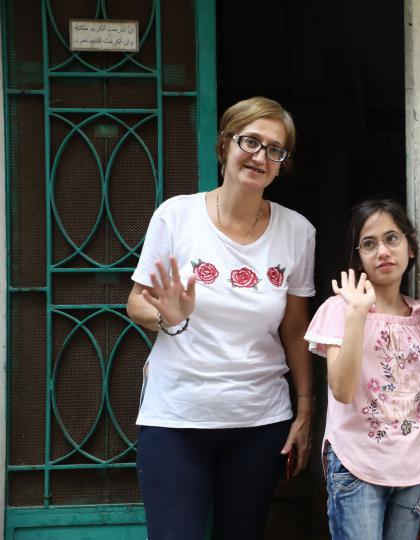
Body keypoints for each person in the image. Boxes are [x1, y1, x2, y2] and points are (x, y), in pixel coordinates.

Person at [126, 96, 315, 540]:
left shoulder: (298, 231)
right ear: (226, 144)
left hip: (260, 421)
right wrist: (167, 316)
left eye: (275, 149)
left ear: (282, 163)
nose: (260, 156)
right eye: (250, 141)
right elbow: (136, 301)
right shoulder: (177, 216)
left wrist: (305, 410)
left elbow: (294, 327)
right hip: (177, 416)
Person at [304, 199, 420, 540]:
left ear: (411, 248)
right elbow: (343, 390)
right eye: (369, 243)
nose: (382, 251)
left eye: (392, 238)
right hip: (356, 466)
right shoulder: (339, 310)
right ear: (358, 257)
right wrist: (357, 314)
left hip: (413, 471)